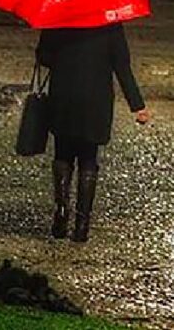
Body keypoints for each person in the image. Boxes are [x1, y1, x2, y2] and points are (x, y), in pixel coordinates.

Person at [35, 22, 149, 243]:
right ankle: (82, 224)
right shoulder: (109, 23)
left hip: (64, 94)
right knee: (88, 158)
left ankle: (60, 213)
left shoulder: (58, 18)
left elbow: (44, 56)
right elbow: (121, 65)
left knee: (62, 154)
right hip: (95, 99)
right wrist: (137, 104)